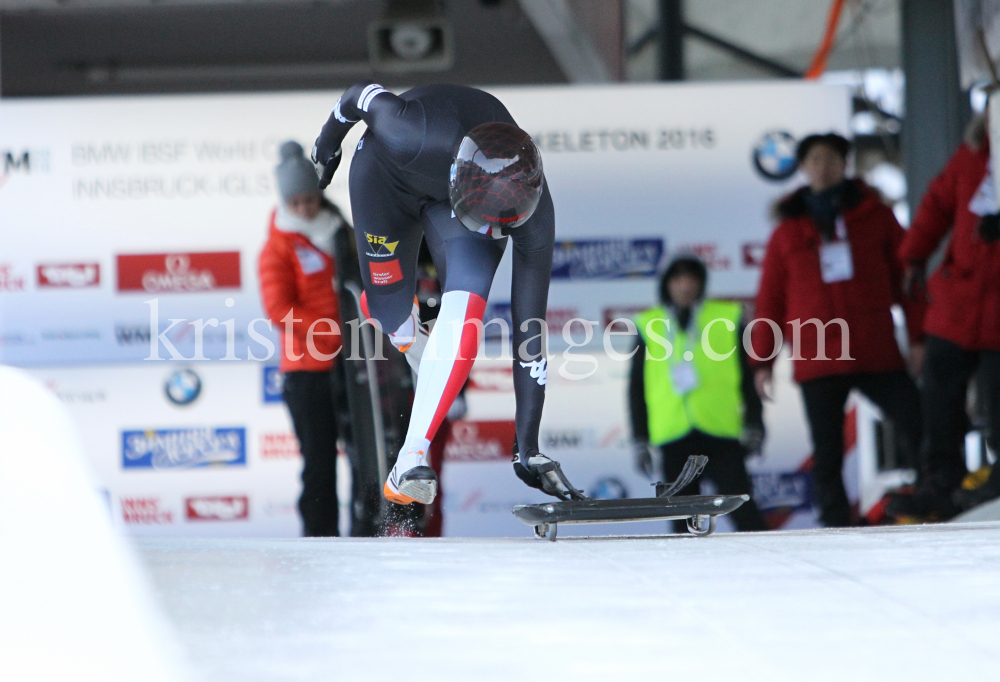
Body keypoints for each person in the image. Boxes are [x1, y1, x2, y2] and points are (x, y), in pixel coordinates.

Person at [312, 81, 580, 507]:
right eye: (487, 222)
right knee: (393, 319)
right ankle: (417, 345)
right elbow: (354, 96)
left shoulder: (533, 215)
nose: (496, 233)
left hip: (456, 203)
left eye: (502, 225)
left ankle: (410, 459)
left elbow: (530, 336)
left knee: (466, 309)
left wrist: (527, 446)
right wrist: (326, 146)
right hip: (386, 179)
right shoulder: (407, 130)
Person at [751, 133, 925, 527]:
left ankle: (932, 496)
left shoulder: (876, 216)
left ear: (845, 164)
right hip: (818, 356)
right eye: (813, 159)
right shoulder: (786, 232)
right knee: (827, 449)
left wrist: (919, 339)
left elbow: (907, 283)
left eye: (830, 158)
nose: (822, 166)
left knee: (918, 423)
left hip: (874, 348)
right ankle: (836, 520)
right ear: (802, 167)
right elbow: (771, 301)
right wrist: (761, 362)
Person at [899, 113, 1000, 514]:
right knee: (939, 398)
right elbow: (938, 203)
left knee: (997, 402)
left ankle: (990, 481)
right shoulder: (970, 156)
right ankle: (942, 481)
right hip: (958, 304)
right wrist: (913, 256)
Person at [629, 254, 767, 531]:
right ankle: (682, 573)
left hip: (720, 429)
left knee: (744, 512)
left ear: (702, 283)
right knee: (681, 520)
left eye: (691, 278)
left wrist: (755, 421)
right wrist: (640, 438)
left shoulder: (726, 317)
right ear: (667, 284)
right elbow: (636, 387)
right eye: (678, 278)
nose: (685, 286)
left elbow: (747, 376)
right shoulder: (649, 324)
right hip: (673, 433)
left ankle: (767, 567)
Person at [259, 140, 350, 537]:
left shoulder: (341, 230)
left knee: (369, 455)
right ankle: (320, 542)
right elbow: (280, 309)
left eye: (309, 200)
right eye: (294, 202)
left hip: (355, 367)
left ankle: (371, 536)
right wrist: (334, 337)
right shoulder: (277, 247)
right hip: (309, 371)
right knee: (318, 464)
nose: (303, 209)